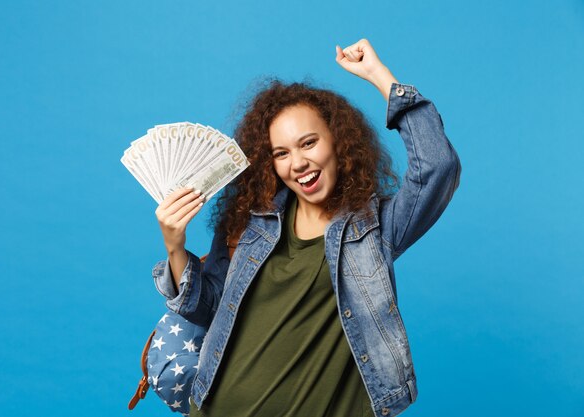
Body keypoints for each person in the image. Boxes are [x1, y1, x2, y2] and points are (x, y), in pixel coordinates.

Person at [152, 38, 462, 417]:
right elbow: (208, 308)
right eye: (281, 153)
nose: (297, 163)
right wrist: (175, 247)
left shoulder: (376, 229)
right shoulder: (250, 222)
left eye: (308, 143)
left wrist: (380, 77)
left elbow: (438, 166)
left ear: (338, 141)